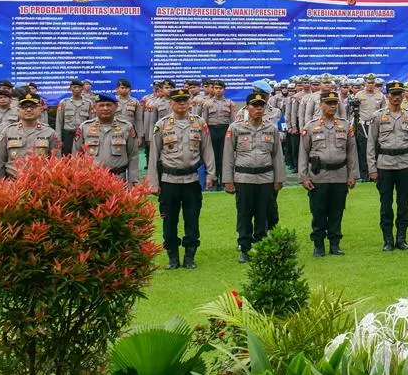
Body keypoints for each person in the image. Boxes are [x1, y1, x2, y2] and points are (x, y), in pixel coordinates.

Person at [148, 87, 213, 270]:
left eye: (185, 101)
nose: (181, 104)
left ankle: (190, 256)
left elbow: (207, 150)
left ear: (190, 103)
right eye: (178, 101)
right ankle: (173, 257)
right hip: (169, 181)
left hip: (192, 180)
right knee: (169, 222)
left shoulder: (199, 123)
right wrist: (153, 182)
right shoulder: (161, 125)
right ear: (171, 104)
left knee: (192, 220)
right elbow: (153, 155)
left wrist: (210, 174)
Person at [223, 92, 285, 262]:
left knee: (262, 214)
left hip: (265, 178)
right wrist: (228, 180)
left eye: (261, 106)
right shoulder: (235, 128)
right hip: (243, 178)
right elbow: (228, 155)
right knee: (244, 214)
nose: (258, 109)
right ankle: (245, 248)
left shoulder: (271, 128)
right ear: (247, 107)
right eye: (254, 105)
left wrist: (279, 179)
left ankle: (260, 246)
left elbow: (277, 155)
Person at [298, 89, 358, 257]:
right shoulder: (311, 126)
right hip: (319, 176)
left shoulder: (345, 126)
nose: (332, 106)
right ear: (321, 104)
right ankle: (318, 244)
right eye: (329, 103)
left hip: (340, 175)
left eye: (335, 103)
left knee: (336, 211)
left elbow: (351, 152)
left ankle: (334, 243)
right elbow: (303, 153)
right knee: (318, 212)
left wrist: (352, 175)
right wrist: (303, 177)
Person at [367, 80, 408, 251]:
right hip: (385, 165)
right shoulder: (378, 116)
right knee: (386, 204)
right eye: (393, 94)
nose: (397, 97)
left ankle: (401, 238)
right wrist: (372, 169)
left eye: (400, 94)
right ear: (387, 95)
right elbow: (371, 144)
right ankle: (388, 240)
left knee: (403, 204)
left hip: (405, 164)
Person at [0, 93, 65, 180]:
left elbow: (56, 162)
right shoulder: (8, 132)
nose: (28, 110)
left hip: (40, 182)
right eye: (24, 107)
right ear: (18, 110)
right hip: (13, 182)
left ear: (40, 109)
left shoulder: (50, 133)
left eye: (33, 107)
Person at [74, 94, 140, 183]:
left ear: (116, 107)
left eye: (108, 105)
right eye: (101, 105)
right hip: (92, 179)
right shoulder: (85, 127)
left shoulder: (126, 127)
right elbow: (76, 155)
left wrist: (132, 181)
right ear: (94, 107)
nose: (105, 108)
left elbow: (133, 156)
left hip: (118, 179)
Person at [55, 78, 94, 155]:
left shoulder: (89, 103)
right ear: (70, 88)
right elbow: (59, 122)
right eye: (74, 87)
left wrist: (91, 138)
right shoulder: (64, 103)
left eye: (79, 87)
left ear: (82, 88)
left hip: (82, 136)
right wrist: (58, 139)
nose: (77, 89)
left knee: (82, 156)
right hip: (68, 135)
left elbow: (91, 122)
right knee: (67, 157)